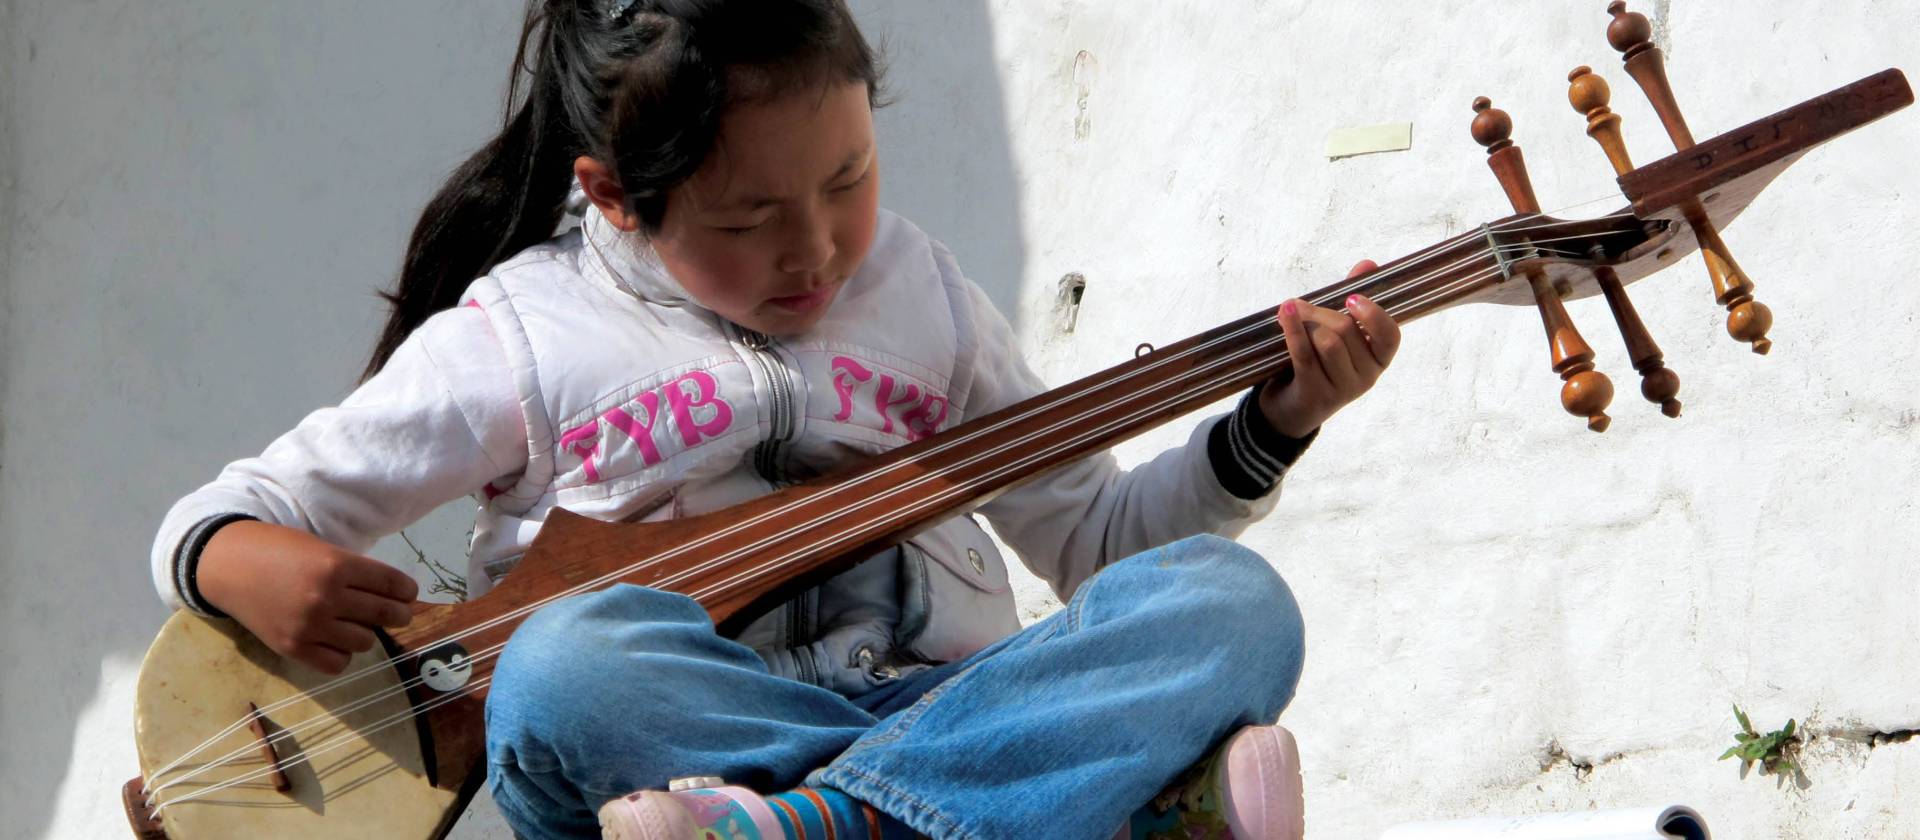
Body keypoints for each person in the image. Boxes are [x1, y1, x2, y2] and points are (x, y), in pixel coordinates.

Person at [148, 1, 1400, 838]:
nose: (818, 251)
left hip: (940, 704)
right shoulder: (524, 333)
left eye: (851, 181)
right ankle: (1100, 811)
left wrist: (1276, 420)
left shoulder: (928, 297)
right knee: (561, 668)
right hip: (694, 754)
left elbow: (1102, 545)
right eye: (748, 221)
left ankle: (831, 824)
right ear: (615, 196)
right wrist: (231, 558)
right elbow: (234, 510)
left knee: (1229, 604)